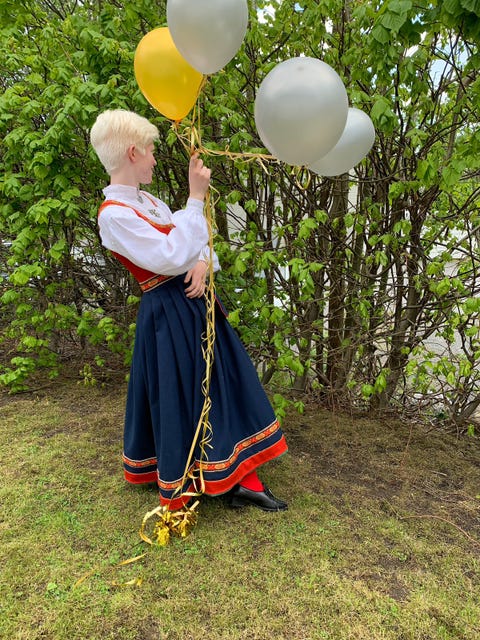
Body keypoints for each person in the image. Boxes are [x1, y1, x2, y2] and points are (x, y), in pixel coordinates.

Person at [90, 109, 288, 512]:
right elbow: (169, 255)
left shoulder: (150, 202)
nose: (154, 158)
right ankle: (190, 477)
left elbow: (193, 245)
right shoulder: (114, 215)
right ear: (132, 153)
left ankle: (238, 476)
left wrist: (201, 262)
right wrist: (195, 198)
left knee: (220, 384)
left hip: (196, 304)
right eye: (150, 150)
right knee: (182, 394)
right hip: (167, 315)